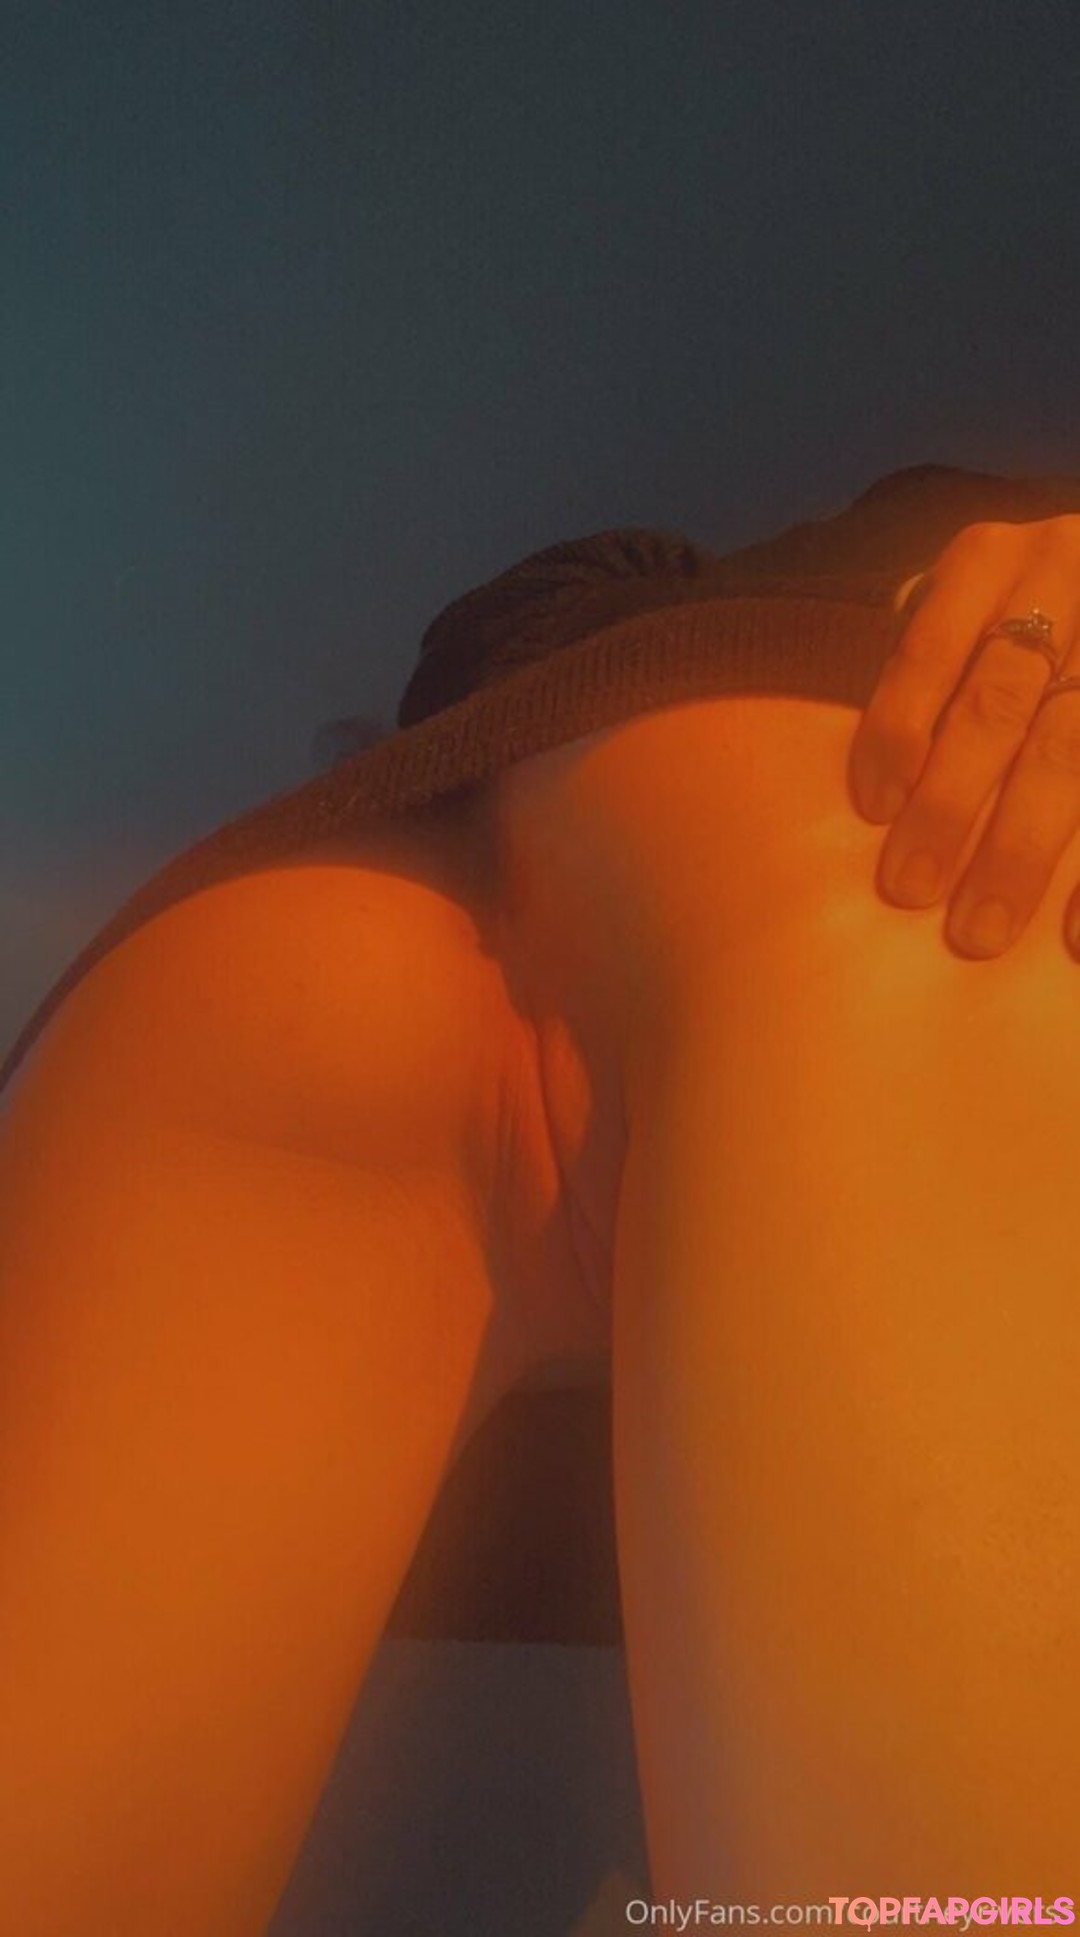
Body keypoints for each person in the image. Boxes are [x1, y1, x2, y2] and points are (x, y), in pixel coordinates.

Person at [1, 464, 1079, 1928]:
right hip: (883, 852)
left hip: (301, 934)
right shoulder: (966, 594)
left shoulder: (631, 610)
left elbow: (483, 648)